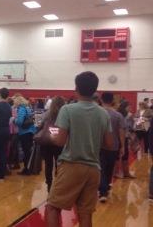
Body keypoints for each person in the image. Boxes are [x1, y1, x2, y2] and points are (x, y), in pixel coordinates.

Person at [46, 71, 112, 227]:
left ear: (76, 88)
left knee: (52, 207)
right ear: (95, 89)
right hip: (94, 168)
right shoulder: (103, 113)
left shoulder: (68, 110)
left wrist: (51, 137)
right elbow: (109, 144)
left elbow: (60, 141)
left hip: (71, 165)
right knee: (85, 213)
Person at [98, 92, 125, 203]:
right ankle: (105, 189)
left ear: (101, 99)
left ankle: (103, 191)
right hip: (113, 145)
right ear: (112, 100)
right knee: (109, 168)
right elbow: (121, 131)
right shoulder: (118, 115)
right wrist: (122, 145)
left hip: (99, 145)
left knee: (101, 169)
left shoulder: (97, 113)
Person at [40, 96, 65, 192]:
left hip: (47, 141)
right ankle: (58, 183)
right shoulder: (64, 114)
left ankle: (49, 184)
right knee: (60, 164)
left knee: (48, 164)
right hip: (60, 141)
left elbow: (41, 125)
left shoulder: (47, 114)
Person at [13, 95, 36, 175]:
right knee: (28, 151)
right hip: (30, 131)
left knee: (26, 151)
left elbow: (19, 122)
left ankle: (26, 169)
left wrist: (13, 120)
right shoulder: (27, 108)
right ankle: (29, 168)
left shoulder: (21, 109)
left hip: (24, 132)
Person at [115, 101, 136, 179]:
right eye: (129, 107)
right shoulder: (123, 115)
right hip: (120, 137)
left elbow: (130, 127)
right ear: (125, 107)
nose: (130, 108)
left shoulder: (121, 114)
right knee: (118, 155)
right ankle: (118, 172)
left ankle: (125, 172)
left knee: (124, 155)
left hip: (123, 137)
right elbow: (128, 127)